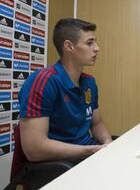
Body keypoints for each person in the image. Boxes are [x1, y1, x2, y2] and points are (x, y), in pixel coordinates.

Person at [19, 18, 112, 162]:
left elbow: (97, 124)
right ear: (69, 46)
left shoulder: (89, 82)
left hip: (88, 156)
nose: (97, 48)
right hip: (61, 164)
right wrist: (90, 150)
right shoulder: (42, 82)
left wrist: (107, 143)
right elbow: (34, 150)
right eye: (89, 43)